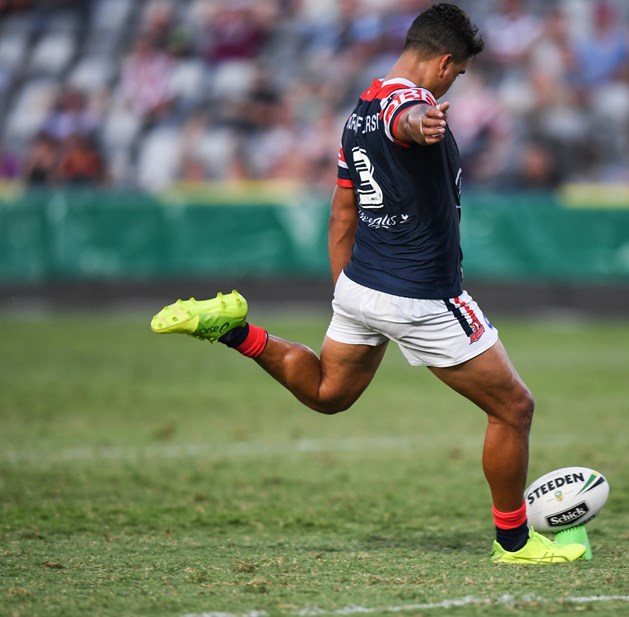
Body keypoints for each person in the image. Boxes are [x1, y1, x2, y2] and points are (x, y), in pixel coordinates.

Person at [151, 3, 585, 565]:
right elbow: (406, 118)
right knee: (514, 408)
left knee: (328, 394)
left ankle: (236, 331)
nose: (454, 82)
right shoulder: (410, 103)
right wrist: (421, 124)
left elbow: (342, 212)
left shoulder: (357, 112)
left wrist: (349, 295)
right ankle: (515, 543)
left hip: (362, 285)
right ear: (444, 62)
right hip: (422, 294)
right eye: (458, 73)